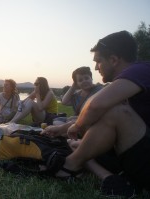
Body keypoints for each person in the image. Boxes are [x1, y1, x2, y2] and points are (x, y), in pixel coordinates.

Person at [43, 31, 150, 197]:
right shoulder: (130, 81)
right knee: (76, 144)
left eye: (98, 61)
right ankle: (109, 177)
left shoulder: (140, 70)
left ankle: (69, 166)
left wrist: (77, 127)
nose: (95, 67)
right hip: (136, 154)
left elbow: (95, 106)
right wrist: (64, 128)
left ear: (114, 60)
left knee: (113, 111)